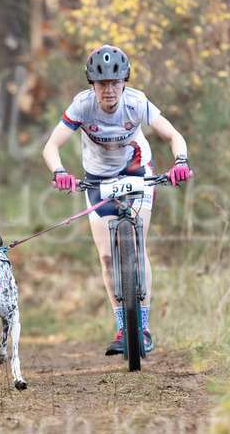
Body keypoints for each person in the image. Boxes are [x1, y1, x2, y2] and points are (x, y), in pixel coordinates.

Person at [42, 44, 190, 356]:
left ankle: (144, 328)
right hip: (97, 180)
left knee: (136, 245)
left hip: (138, 172)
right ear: (91, 85)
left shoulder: (136, 103)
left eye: (114, 82)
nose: (109, 90)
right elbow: (51, 146)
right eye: (101, 84)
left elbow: (174, 136)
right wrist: (59, 173)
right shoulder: (81, 107)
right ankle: (124, 327)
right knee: (108, 257)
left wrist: (180, 163)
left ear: (124, 81)